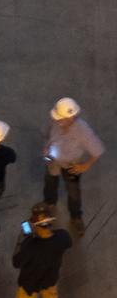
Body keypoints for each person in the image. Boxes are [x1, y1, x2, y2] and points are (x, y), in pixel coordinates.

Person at [0, 203, 73, 298]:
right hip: (50, 279)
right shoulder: (62, 236)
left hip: (29, 284)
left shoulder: (30, 245)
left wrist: (22, 239)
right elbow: (68, 243)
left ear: (34, 224)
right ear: (50, 221)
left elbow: (16, 262)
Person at [42, 98, 104, 232]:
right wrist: (47, 148)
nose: (57, 120)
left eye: (60, 119)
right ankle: (50, 202)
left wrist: (86, 165)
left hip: (71, 164)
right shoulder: (56, 123)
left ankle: (76, 216)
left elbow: (97, 149)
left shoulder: (83, 130)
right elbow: (49, 135)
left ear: (71, 118)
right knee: (50, 181)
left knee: (73, 191)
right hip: (53, 159)